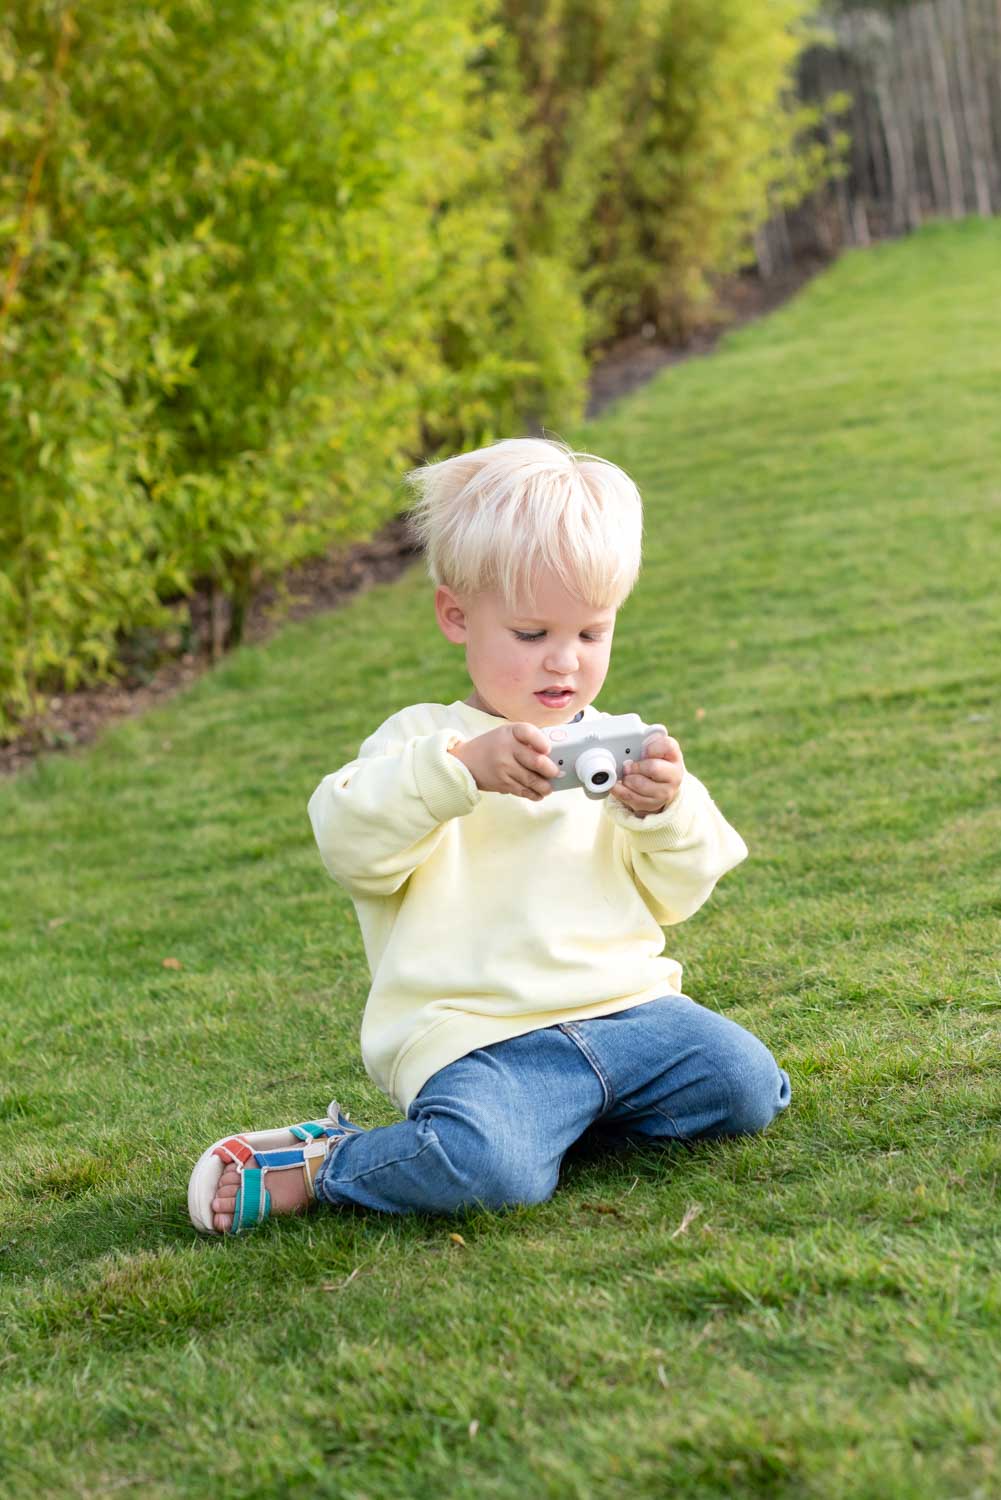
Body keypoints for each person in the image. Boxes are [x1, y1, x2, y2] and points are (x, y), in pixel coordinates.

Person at [187, 437, 790, 1235]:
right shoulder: (422, 742)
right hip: (482, 1040)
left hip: (629, 1012)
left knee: (746, 1085)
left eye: (590, 633)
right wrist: (461, 773)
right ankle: (328, 1162)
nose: (564, 663)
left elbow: (681, 891)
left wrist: (663, 809)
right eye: (533, 633)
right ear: (456, 616)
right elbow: (349, 844)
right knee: (488, 1170)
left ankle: (560, 1121)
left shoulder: (619, 741)